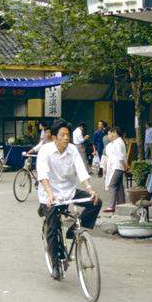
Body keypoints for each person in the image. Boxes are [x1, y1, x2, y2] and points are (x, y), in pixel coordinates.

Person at [37, 119, 102, 280]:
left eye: (68, 135)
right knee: (52, 228)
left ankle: (73, 231)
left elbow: (81, 170)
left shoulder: (72, 150)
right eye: (62, 135)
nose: (66, 138)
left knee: (96, 202)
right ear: (54, 137)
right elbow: (43, 175)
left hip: (69, 191)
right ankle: (56, 265)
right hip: (50, 194)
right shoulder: (45, 151)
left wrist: (90, 189)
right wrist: (50, 194)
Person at [103, 126, 127, 212]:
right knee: (119, 186)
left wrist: (125, 167)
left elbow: (121, 157)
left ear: (116, 133)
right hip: (116, 166)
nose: (110, 135)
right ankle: (122, 204)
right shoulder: (115, 142)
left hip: (117, 166)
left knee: (112, 185)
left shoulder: (118, 142)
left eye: (112, 133)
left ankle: (111, 206)